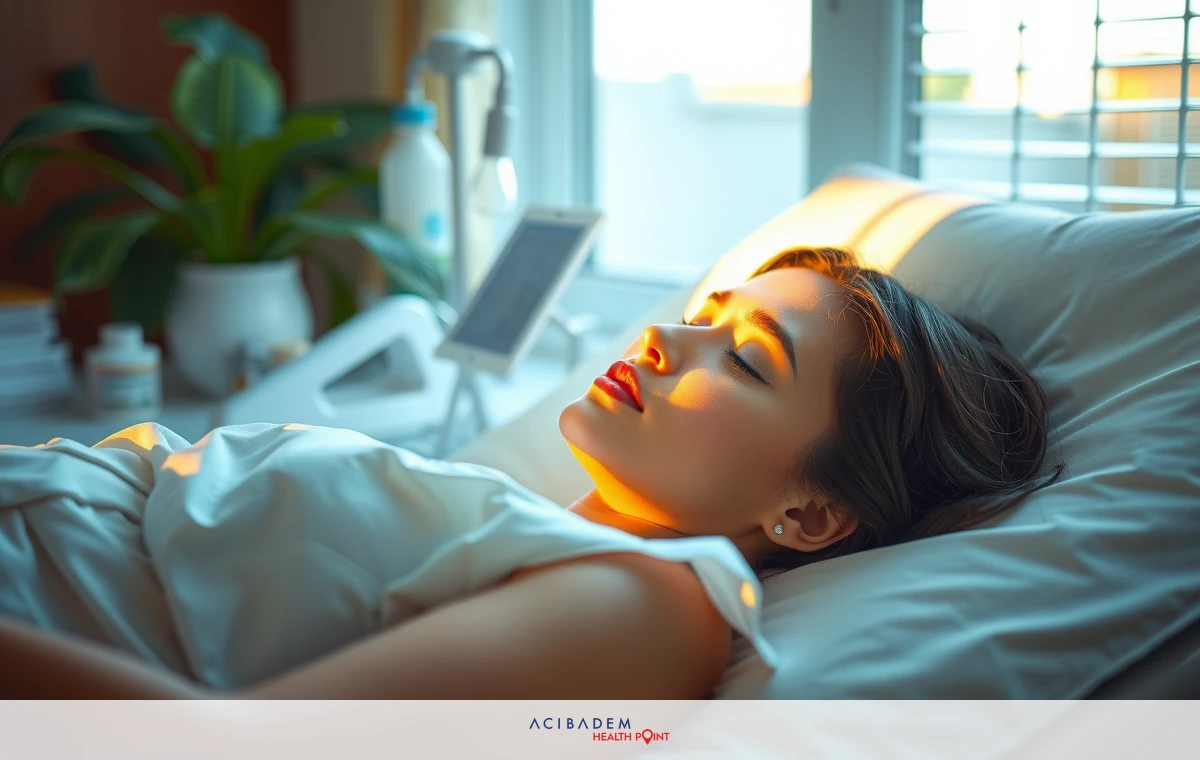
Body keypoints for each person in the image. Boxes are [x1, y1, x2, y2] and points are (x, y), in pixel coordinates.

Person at [0, 246, 1065, 700]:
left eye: (742, 358)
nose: (662, 337)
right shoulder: (516, 523)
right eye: (702, 319)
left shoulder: (657, 602)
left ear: (811, 510)